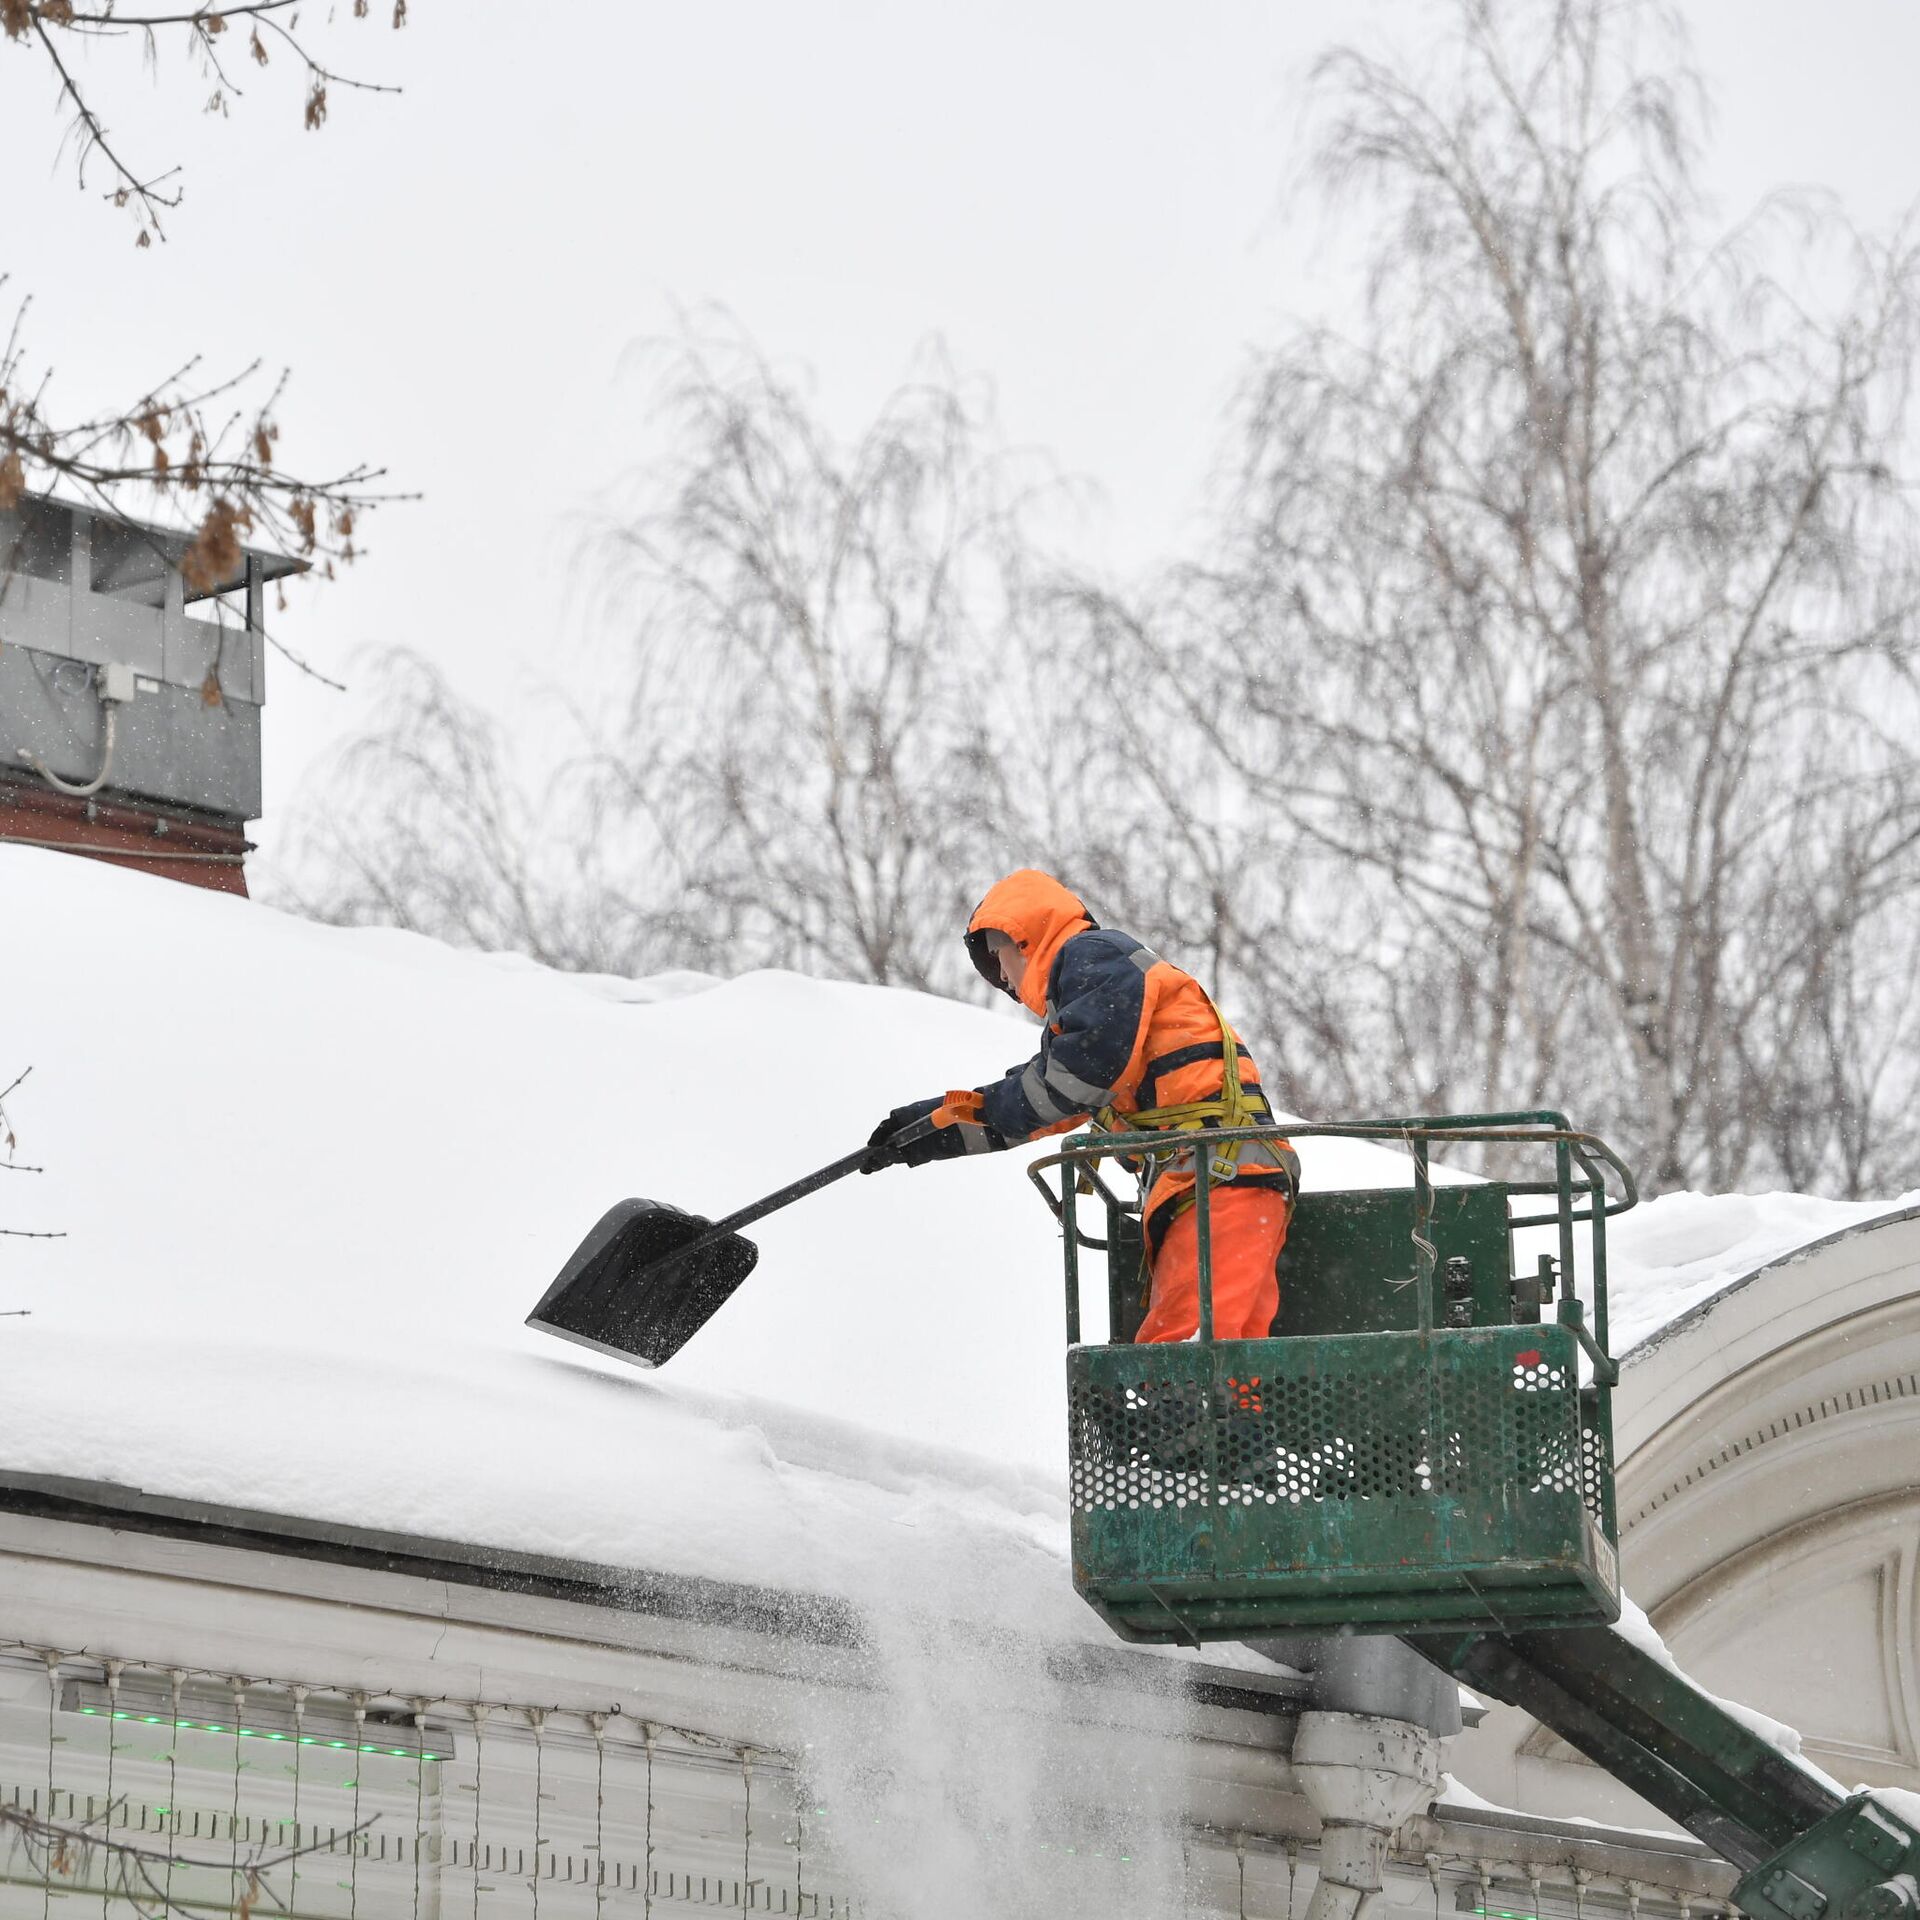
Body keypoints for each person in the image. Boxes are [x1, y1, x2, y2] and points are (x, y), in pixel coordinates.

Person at [864, 869, 1298, 1343]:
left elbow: (1070, 1083)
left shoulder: (1092, 958)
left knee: (1185, 1356)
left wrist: (953, 1122)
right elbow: (1047, 1105)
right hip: (1217, 1178)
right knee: (1225, 1365)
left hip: (1221, 1176)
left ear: (1023, 937)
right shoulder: (1096, 994)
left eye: (997, 956)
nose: (1001, 975)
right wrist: (932, 1129)